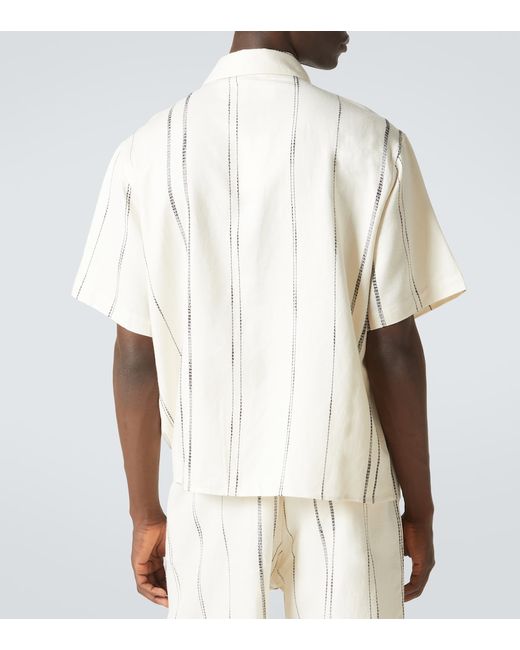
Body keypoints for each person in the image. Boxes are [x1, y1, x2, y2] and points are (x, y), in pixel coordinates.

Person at [70, 31, 467, 619]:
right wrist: (421, 509)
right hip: (347, 485)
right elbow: (394, 350)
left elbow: (136, 356)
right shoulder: (371, 141)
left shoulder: (147, 150)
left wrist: (145, 513)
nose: (349, 26)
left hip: (210, 489)